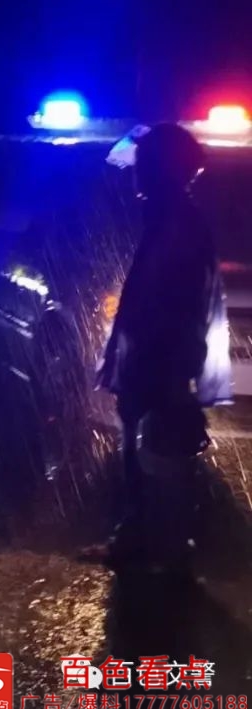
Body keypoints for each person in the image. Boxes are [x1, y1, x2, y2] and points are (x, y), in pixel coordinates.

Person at [97, 123, 230, 565]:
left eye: (142, 165)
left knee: (157, 450)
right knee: (146, 446)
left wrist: (169, 370)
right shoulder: (170, 216)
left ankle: (158, 546)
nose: (133, 173)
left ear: (158, 170)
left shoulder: (175, 223)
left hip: (161, 361)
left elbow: (176, 304)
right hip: (155, 359)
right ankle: (145, 537)